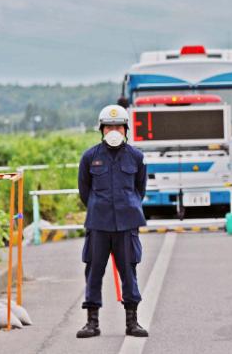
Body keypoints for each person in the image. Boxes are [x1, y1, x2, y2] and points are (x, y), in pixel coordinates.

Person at [76, 104, 148, 338]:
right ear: (102, 130)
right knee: (94, 271)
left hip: (127, 225)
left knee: (129, 272)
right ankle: (91, 322)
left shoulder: (136, 157)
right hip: (98, 224)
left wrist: (127, 207)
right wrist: (100, 208)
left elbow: (140, 189)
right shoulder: (90, 157)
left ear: (126, 129)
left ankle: (132, 321)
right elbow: (84, 190)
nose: (114, 130)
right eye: (109, 127)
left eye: (118, 126)